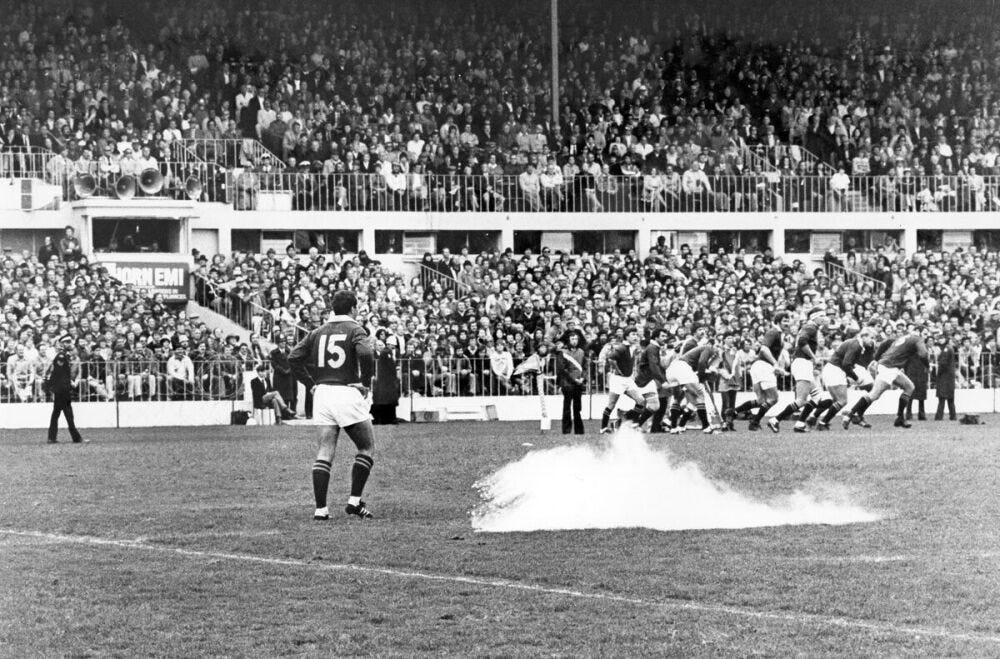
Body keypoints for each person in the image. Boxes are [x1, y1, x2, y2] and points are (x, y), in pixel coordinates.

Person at [289, 290, 376, 520]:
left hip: (323, 394)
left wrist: (310, 384)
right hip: (346, 391)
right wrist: (365, 383)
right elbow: (366, 354)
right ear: (353, 309)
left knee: (325, 451)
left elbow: (293, 357)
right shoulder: (355, 329)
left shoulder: (317, 331)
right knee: (366, 447)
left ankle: (321, 510)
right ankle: (354, 501)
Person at [844, 328, 929, 429]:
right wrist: (927, 366)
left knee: (909, 387)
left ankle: (900, 418)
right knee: (874, 394)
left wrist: (877, 359)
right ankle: (850, 414)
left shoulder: (905, 337)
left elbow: (887, 345)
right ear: (919, 332)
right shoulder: (918, 339)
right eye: (925, 334)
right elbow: (923, 354)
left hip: (890, 366)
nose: (926, 336)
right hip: (889, 367)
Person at [769, 307, 826, 433]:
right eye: (822, 316)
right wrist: (814, 357)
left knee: (816, 397)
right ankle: (775, 420)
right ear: (815, 317)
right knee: (801, 400)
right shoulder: (811, 327)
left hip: (802, 363)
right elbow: (802, 341)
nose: (824, 318)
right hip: (802, 363)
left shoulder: (810, 327)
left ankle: (800, 424)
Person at [734, 312, 790, 431]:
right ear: (778, 322)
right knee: (773, 398)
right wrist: (775, 364)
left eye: (788, 320)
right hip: (764, 366)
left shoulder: (780, 334)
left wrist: (780, 368)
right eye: (784, 321)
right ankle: (755, 421)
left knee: (761, 401)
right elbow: (764, 349)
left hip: (759, 366)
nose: (787, 323)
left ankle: (732, 412)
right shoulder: (773, 332)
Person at [818, 328, 875, 430]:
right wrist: (856, 378)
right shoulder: (856, 345)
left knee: (838, 400)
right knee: (842, 401)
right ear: (864, 336)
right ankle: (822, 422)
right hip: (835, 370)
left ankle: (815, 418)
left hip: (834, 369)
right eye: (872, 338)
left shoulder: (857, 344)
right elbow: (846, 364)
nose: (873, 340)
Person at [598, 327, 644, 434]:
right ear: (627, 337)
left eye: (636, 334)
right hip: (618, 380)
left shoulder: (632, 347)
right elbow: (610, 358)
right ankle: (603, 428)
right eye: (633, 334)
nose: (635, 337)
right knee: (611, 404)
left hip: (628, 379)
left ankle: (619, 423)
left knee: (641, 401)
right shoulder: (622, 347)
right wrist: (618, 369)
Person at [45, 334, 85, 444]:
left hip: (60, 389)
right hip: (62, 390)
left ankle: (52, 437)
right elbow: (58, 374)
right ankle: (76, 438)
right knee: (68, 414)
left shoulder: (64, 356)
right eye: (67, 342)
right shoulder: (61, 356)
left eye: (69, 342)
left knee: (56, 413)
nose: (69, 344)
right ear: (62, 344)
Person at [556, 330, 587, 435]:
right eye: (572, 339)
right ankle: (566, 430)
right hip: (567, 383)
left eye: (576, 339)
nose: (574, 341)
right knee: (567, 407)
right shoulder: (563, 352)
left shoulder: (581, 352)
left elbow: (585, 367)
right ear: (568, 340)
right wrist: (574, 379)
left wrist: (582, 378)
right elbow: (562, 369)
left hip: (579, 382)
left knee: (577, 408)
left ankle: (579, 430)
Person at [371, 339, 400, 425]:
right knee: (389, 399)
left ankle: (383, 419)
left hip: (385, 379)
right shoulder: (387, 352)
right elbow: (390, 366)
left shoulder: (386, 352)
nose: (393, 346)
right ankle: (389, 418)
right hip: (387, 380)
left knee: (384, 399)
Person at [269, 335, 297, 415]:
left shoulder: (289, 351)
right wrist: (283, 371)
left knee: (289, 396)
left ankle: (290, 413)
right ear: (278, 343)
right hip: (279, 377)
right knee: (281, 395)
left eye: (284, 341)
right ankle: (282, 414)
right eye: (281, 342)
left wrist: (289, 370)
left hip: (288, 376)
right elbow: (274, 364)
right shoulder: (274, 352)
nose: (283, 343)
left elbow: (293, 361)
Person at [934, 335, 957, 421]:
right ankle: (953, 415)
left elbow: (943, 363)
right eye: (939, 338)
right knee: (950, 397)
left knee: (942, 397)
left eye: (942, 338)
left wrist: (938, 372)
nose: (940, 340)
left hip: (945, 375)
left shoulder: (946, 349)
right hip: (949, 375)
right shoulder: (948, 348)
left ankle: (939, 416)